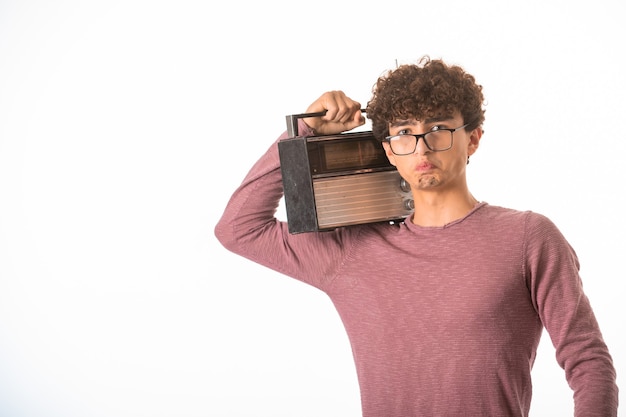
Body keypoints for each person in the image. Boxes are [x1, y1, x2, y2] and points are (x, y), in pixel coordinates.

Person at [214, 56, 618, 416]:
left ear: (473, 139)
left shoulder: (528, 237)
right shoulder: (353, 250)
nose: (421, 146)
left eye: (438, 128)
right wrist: (303, 129)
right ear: (389, 150)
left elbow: (587, 360)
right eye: (404, 132)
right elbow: (238, 228)